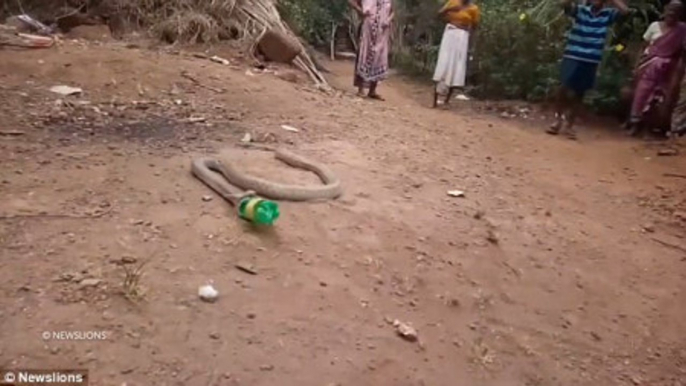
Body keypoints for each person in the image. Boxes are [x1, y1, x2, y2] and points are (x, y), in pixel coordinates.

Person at [547, 0, 629, 139]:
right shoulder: (580, 10)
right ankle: (557, 120)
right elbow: (564, 4)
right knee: (563, 87)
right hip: (573, 55)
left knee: (580, 93)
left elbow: (625, 11)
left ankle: (569, 125)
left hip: (591, 59)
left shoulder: (608, 14)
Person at [627, 0, 686, 137]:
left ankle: (650, 127)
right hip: (648, 66)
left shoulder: (682, 30)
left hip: (668, 69)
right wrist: (636, 65)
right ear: (665, 10)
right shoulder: (654, 26)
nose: (672, 12)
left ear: (680, 14)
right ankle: (635, 124)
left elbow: (682, 53)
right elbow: (643, 46)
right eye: (670, 9)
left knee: (660, 98)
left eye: (676, 10)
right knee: (641, 94)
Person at [432, 0, 481, 108]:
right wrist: (449, 9)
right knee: (443, 63)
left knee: (456, 66)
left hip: (463, 37)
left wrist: (472, 44)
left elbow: (475, 26)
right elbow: (438, 15)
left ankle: (446, 100)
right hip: (450, 33)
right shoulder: (453, 2)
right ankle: (435, 99)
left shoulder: (473, 9)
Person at [348, 0, 394, 100]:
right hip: (367, 28)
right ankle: (361, 89)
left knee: (379, 58)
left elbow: (394, 11)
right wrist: (360, 11)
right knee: (363, 55)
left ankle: (372, 90)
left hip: (382, 31)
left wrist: (388, 20)